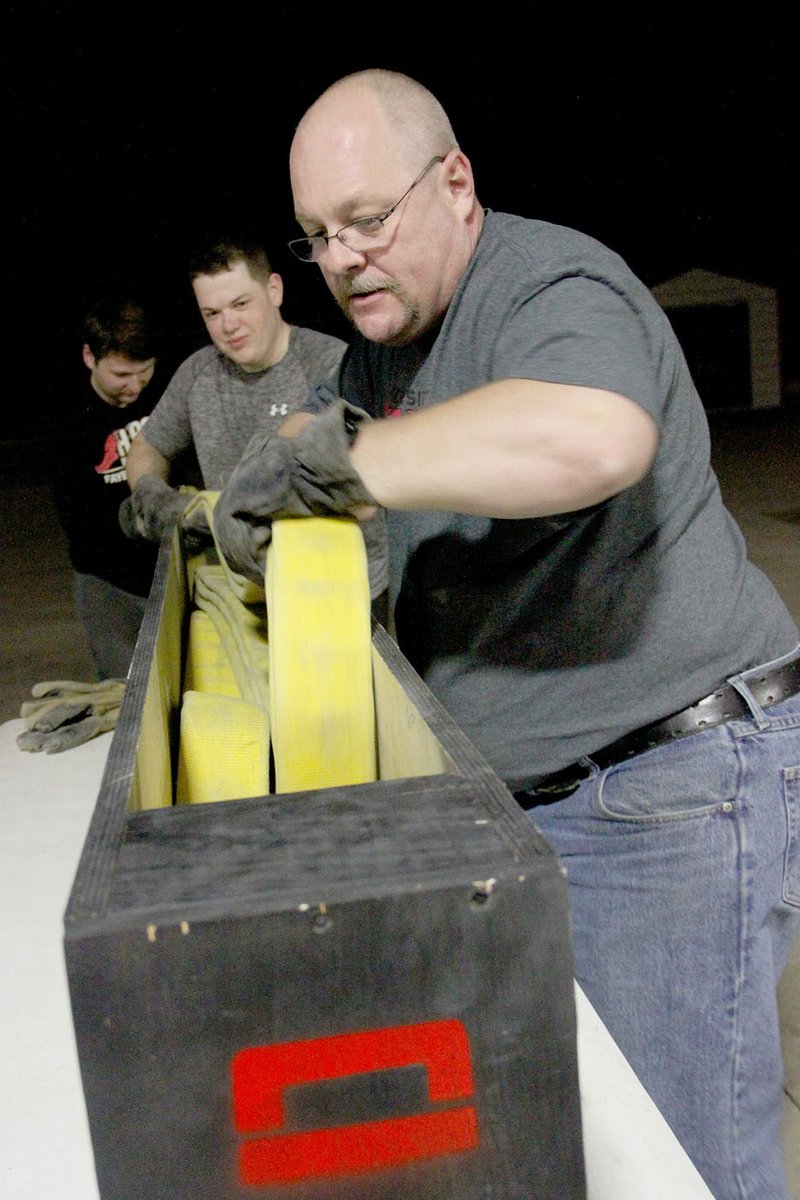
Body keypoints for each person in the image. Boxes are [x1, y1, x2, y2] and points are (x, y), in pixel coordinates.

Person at [212, 69, 800, 1200]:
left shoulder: (545, 283)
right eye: (315, 237)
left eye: (368, 221)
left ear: (456, 183)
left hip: (664, 789)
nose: (340, 259)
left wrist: (337, 466)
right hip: (536, 805)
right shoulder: (377, 359)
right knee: (585, 1141)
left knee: (685, 1160)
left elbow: (588, 436)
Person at [123, 236, 348, 538]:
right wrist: (150, 493)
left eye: (240, 304)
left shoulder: (331, 364)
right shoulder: (197, 372)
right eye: (212, 313)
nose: (228, 326)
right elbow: (148, 447)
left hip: (320, 565)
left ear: (274, 290)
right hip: (228, 571)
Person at [49, 296, 162, 679]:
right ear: (89, 357)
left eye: (143, 372)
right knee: (121, 692)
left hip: (167, 571)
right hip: (106, 584)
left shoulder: (163, 395)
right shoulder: (68, 420)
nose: (134, 387)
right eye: (120, 375)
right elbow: (80, 522)